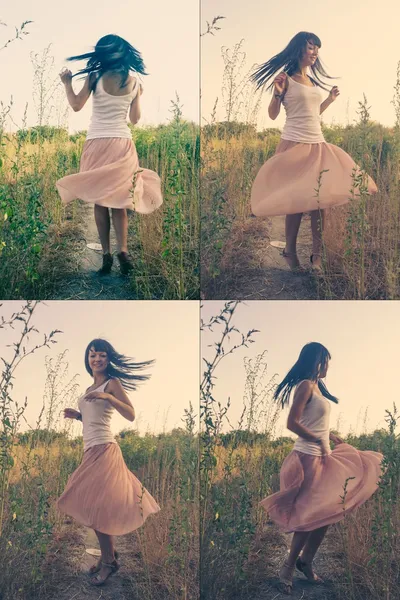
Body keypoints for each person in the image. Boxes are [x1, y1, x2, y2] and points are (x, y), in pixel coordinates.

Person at [260, 342, 382, 594]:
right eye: (325, 360)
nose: (328, 365)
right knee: (309, 516)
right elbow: (292, 423)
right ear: (315, 360)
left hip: (323, 456)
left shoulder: (316, 387)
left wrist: (331, 436)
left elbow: (313, 421)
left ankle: (306, 561)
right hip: (307, 458)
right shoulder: (305, 385)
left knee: (329, 510)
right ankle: (287, 567)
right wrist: (317, 439)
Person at [250, 32, 377, 273]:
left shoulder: (313, 83)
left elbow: (313, 113)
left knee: (321, 202)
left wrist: (328, 100)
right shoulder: (285, 79)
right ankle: (290, 252)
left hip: (318, 144)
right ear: (299, 49)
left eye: (317, 48)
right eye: (311, 47)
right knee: (296, 203)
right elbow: (273, 114)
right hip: (294, 145)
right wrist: (277, 92)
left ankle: (317, 257)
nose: (315, 52)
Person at [56, 34, 163, 275]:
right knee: (121, 201)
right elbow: (134, 120)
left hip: (96, 143)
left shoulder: (94, 77)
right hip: (122, 144)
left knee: (100, 201)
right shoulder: (134, 82)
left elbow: (75, 105)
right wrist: (138, 96)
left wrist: (67, 83)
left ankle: (105, 256)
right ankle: (123, 251)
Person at [57, 338, 160, 586]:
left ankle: (107, 564)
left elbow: (131, 415)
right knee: (90, 504)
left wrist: (109, 397)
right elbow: (95, 419)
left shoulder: (112, 383)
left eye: (102, 355)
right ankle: (109, 558)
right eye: (92, 355)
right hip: (90, 450)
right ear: (87, 359)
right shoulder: (87, 389)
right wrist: (79, 415)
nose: (97, 359)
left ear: (108, 359)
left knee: (99, 508)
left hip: (106, 449)